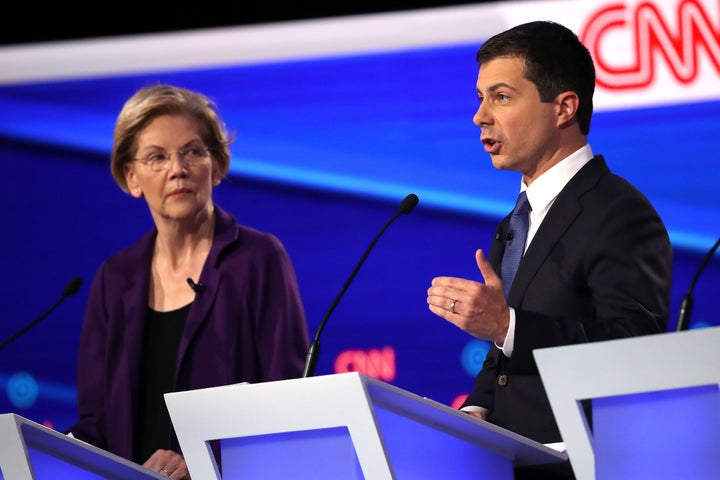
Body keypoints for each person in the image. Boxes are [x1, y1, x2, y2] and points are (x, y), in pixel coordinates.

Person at [426, 20, 672, 477]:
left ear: (563, 107)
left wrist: (507, 324)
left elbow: (638, 349)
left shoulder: (619, 211)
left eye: (500, 96)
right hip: (512, 464)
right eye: (480, 98)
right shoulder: (514, 223)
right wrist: (477, 409)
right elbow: (506, 355)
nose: (480, 116)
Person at [67, 84, 310, 478]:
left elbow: (287, 400)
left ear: (215, 166)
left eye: (192, 152)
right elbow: (96, 423)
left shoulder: (258, 260)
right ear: (132, 177)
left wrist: (205, 459)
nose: (177, 169)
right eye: (157, 157)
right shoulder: (116, 279)